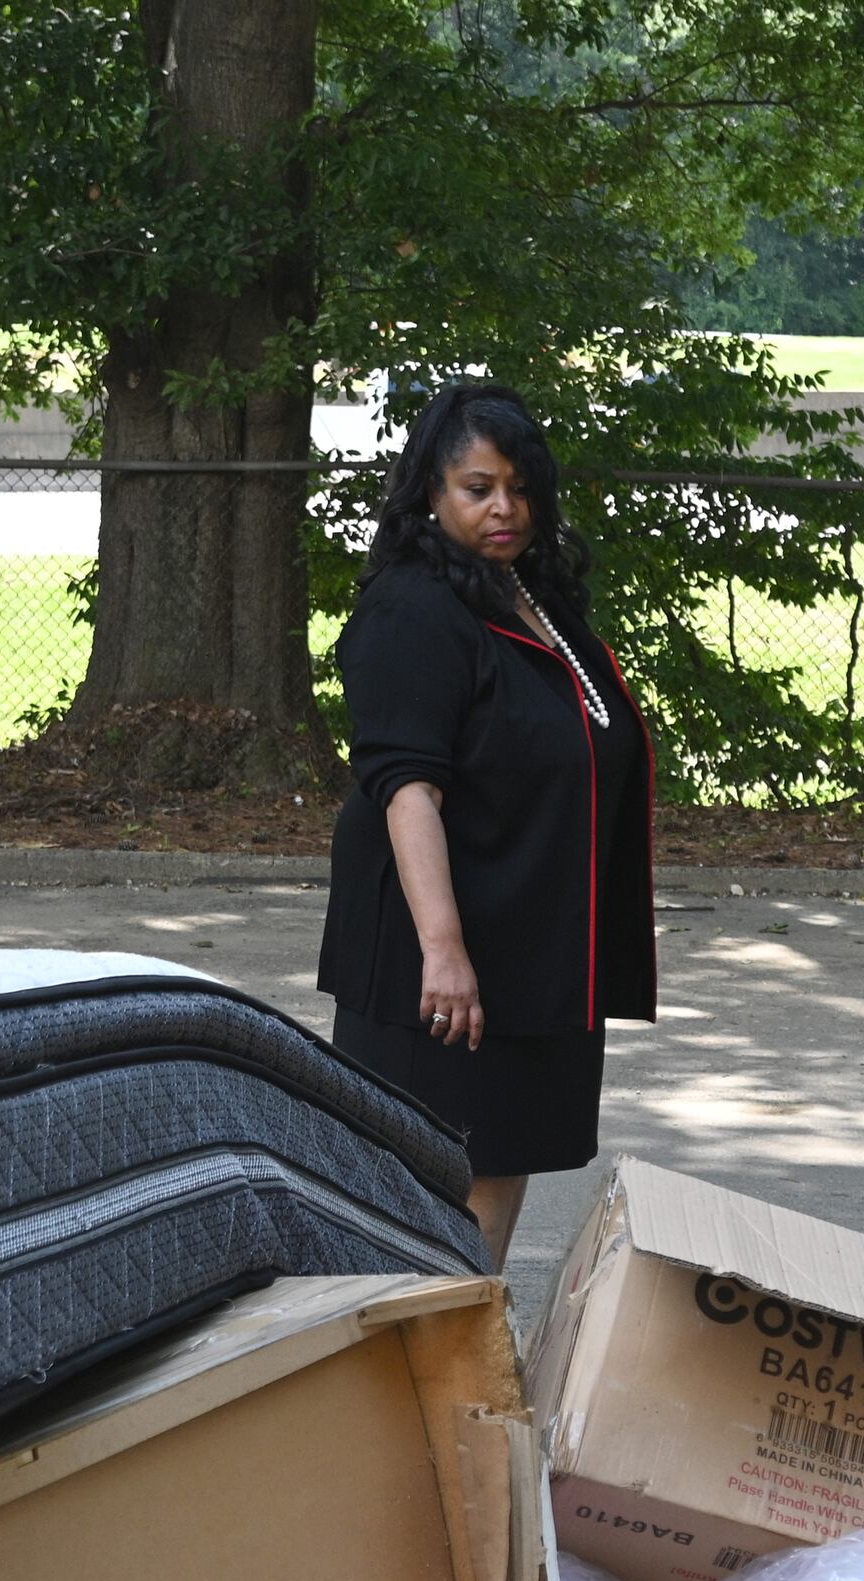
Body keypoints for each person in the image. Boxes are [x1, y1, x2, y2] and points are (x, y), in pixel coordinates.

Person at [318, 380, 655, 1261]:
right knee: (432, 1195)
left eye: (520, 486)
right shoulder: (413, 609)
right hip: (443, 963)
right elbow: (406, 789)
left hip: (532, 952)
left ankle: (463, 1364)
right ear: (431, 492)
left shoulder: (532, 599)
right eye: (478, 488)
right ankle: (423, 1375)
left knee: (499, 1173)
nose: (504, 507)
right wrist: (443, 950)